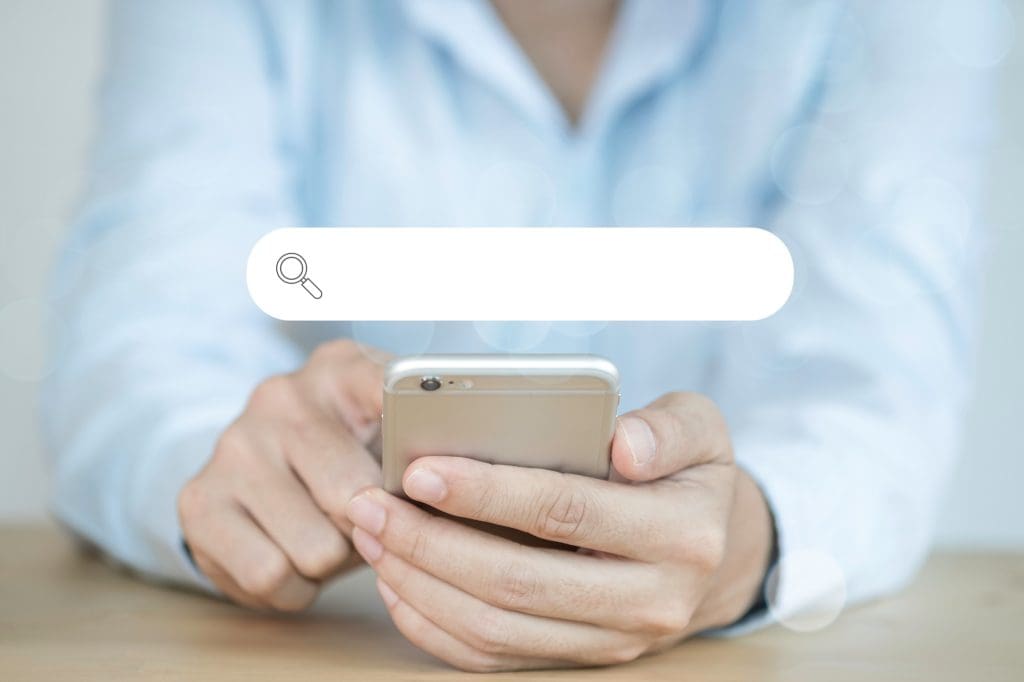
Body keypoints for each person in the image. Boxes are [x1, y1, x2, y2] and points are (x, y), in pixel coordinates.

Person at [44, 0, 995, 672]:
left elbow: (878, 386)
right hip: (363, 642)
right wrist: (232, 480)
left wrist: (750, 542)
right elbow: (137, 345)